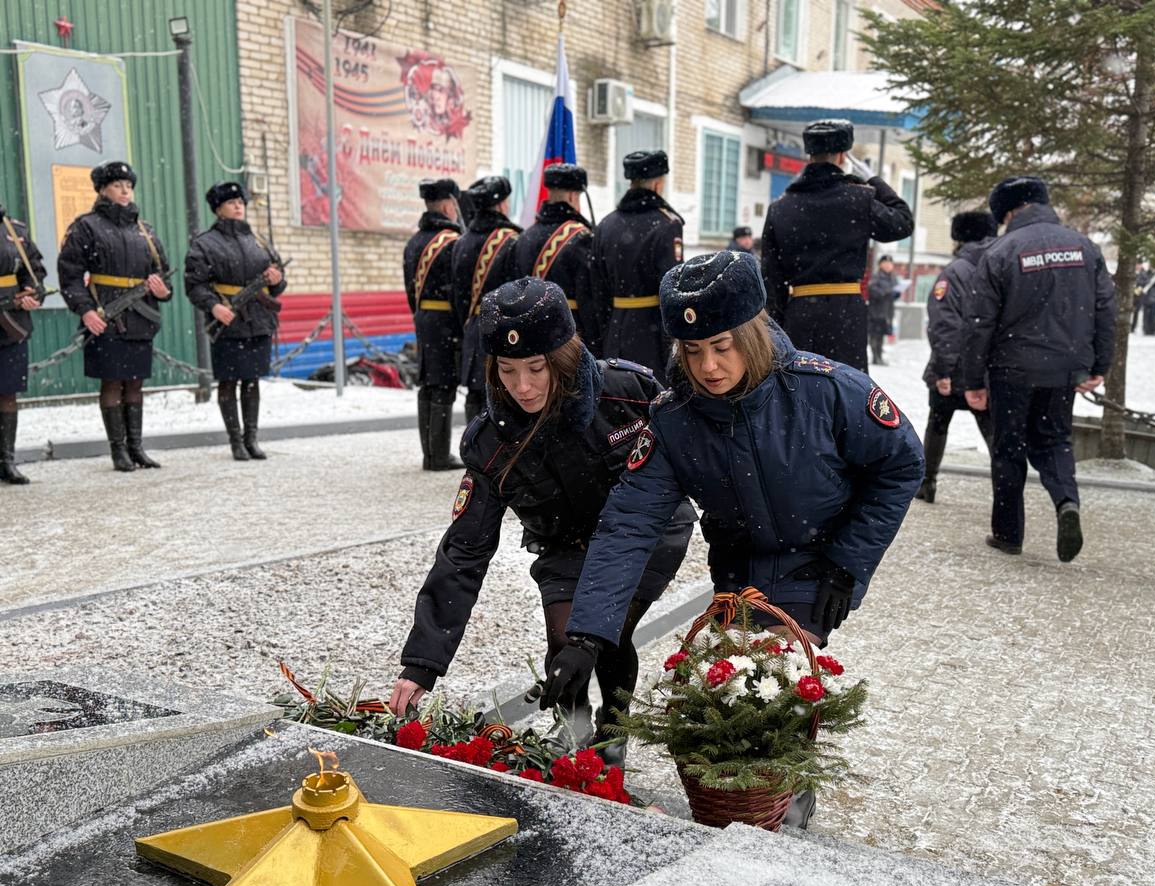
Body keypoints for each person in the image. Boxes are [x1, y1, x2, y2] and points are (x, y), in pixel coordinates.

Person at [542, 251, 923, 827]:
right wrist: (587, 635)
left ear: (752, 333)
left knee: (776, 685)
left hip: (815, 560)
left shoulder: (825, 390)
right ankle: (744, 809)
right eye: (692, 351)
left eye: (722, 347)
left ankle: (787, 812)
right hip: (737, 569)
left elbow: (901, 463)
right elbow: (630, 523)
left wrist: (848, 563)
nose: (709, 367)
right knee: (731, 694)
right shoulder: (674, 418)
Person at [390, 277, 695, 755]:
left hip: (647, 535)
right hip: (564, 543)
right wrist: (422, 663)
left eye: (536, 368)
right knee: (562, 639)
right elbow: (464, 551)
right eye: (507, 370)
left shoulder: (629, 393)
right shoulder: (490, 443)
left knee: (606, 633)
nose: (523, 387)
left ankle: (613, 735)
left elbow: (697, 462)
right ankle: (573, 729)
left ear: (563, 356)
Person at [962, 176, 1115, 562]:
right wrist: (1100, 363)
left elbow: (979, 323)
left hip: (1011, 368)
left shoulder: (1001, 251)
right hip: (1063, 367)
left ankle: (1008, 534)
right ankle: (1067, 501)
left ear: (1008, 212)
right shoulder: (1085, 247)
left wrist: (972, 379)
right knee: (1055, 440)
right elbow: (1105, 309)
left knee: (1009, 448)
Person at [760, 119, 913, 373]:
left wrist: (781, 327)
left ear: (809, 155)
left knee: (801, 387)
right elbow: (903, 222)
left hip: (800, 314)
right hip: (845, 314)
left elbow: (771, 280)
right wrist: (874, 180)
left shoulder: (780, 208)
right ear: (843, 156)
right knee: (847, 387)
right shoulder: (858, 199)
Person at [58, 161, 172, 473]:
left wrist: (163, 291)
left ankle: (137, 448)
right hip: (104, 315)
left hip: (141, 317)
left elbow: (162, 274)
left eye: (129, 186)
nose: (125, 191)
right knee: (112, 383)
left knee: (134, 384)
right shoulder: (85, 227)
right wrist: (85, 310)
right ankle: (118, 451)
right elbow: (69, 276)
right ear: (102, 190)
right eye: (117, 185)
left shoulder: (144, 230)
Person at [184, 181, 286, 461]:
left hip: (259, 319)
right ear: (218, 209)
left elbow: (277, 282)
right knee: (228, 382)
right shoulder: (205, 244)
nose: (238, 206)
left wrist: (276, 280)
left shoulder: (258, 241)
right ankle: (235, 441)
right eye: (231, 202)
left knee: (252, 381)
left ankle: (251, 438)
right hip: (227, 320)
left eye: (240, 201)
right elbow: (194, 285)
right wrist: (214, 306)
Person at [916, 212, 998, 503]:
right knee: (992, 429)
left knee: (938, 422)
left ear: (959, 238)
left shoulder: (954, 272)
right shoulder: (1002, 265)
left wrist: (943, 370)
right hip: (989, 366)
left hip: (956, 365)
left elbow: (944, 324)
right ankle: (1007, 489)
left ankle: (927, 483)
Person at [591, 149, 684, 382]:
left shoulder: (606, 225)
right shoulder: (667, 224)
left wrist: (607, 331)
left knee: (618, 394)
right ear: (658, 185)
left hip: (614, 332)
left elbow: (597, 291)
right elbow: (672, 289)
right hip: (652, 336)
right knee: (654, 394)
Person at [500, 163, 598, 351]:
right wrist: (596, 343)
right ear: (572, 196)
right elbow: (589, 301)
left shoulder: (523, 238)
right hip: (569, 338)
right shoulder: (581, 238)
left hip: (528, 338)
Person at [403, 177, 463, 470]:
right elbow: (459, 291)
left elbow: (409, 289)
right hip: (445, 321)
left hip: (423, 318)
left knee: (427, 382)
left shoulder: (414, 241)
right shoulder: (452, 242)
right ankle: (439, 456)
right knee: (443, 385)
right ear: (447, 205)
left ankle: (430, 453)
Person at [452, 176, 521, 425]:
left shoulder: (461, 242)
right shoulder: (512, 240)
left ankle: (473, 445)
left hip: (474, 329)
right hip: (506, 331)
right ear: (501, 204)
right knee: (505, 399)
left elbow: (458, 298)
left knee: (475, 397)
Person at [0, 201, 47, 485]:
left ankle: (6, 461)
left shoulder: (14, 229)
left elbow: (34, 269)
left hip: (11, 323)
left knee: (7, 393)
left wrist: (32, 291)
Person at [866, 255, 898, 366]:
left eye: (890, 263)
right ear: (880, 265)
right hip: (876, 311)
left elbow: (893, 295)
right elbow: (872, 291)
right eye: (885, 263)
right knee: (875, 335)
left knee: (881, 335)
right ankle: (875, 357)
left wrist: (897, 293)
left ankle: (879, 356)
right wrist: (886, 292)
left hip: (887, 311)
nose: (888, 265)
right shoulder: (876, 277)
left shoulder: (893, 278)